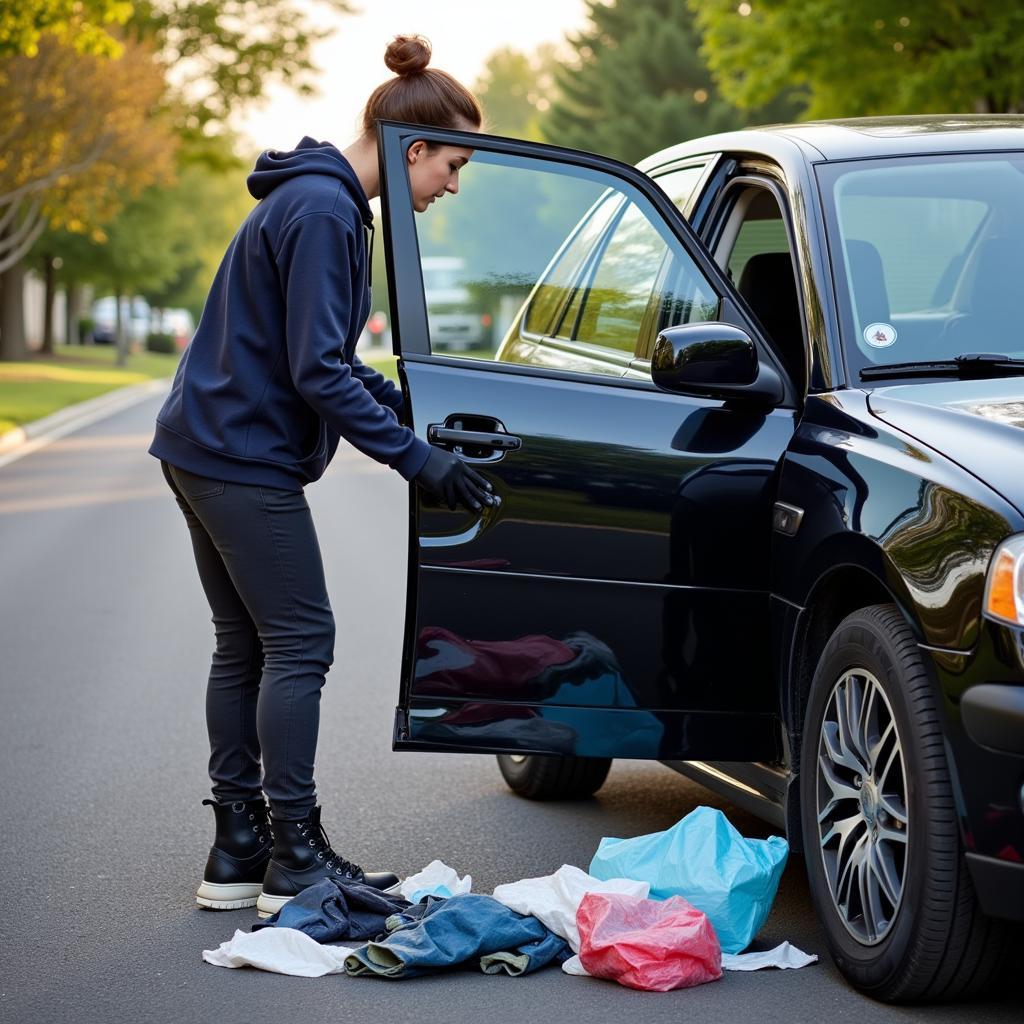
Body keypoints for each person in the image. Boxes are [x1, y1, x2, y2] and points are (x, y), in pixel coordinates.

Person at [149, 34, 493, 918]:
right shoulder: (326, 212)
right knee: (301, 641)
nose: (453, 187)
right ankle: (294, 857)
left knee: (249, 645)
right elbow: (319, 373)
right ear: (412, 150)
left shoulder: (320, 201)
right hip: (240, 458)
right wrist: (420, 462)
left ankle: (238, 852)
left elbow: (329, 356)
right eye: (452, 166)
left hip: (206, 446)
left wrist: (423, 413)